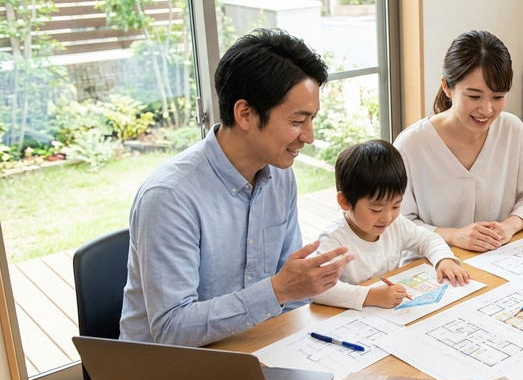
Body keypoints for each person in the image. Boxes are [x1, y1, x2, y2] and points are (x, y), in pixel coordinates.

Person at [120, 28, 354, 347]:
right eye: (298, 121)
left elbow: (295, 293)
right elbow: (171, 329)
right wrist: (279, 290)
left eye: (312, 119)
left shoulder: (280, 176)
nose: (309, 136)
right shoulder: (170, 197)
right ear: (245, 114)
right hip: (171, 371)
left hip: (254, 347)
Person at [394, 30, 523, 252]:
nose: (486, 109)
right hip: (432, 263)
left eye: (498, 97)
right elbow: (399, 223)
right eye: (474, 96)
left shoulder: (512, 130)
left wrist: (509, 226)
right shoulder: (410, 145)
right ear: (447, 87)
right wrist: (453, 236)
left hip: (499, 256)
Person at [311, 139, 469, 310]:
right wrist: (370, 296)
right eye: (376, 210)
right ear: (344, 201)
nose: (387, 217)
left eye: (395, 205)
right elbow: (318, 289)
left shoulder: (396, 224)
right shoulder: (334, 239)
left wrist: (444, 259)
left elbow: (427, 239)